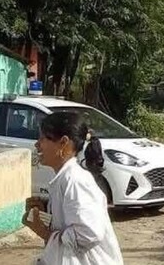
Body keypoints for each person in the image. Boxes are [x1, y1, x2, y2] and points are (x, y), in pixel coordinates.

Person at [22, 111, 124, 264]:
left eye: (43, 138)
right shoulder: (64, 178)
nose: (37, 144)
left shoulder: (75, 180)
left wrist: (44, 232)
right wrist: (45, 214)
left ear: (63, 142)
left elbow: (88, 233)